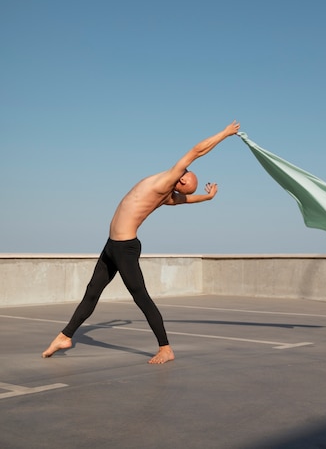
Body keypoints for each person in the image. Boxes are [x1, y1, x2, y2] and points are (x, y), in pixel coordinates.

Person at [42, 120, 240, 364]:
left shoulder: (168, 181)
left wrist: (225, 133)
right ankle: (65, 336)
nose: (184, 172)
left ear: (181, 182)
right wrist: (207, 198)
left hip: (125, 248)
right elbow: (185, 201)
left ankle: (165, 348)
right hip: (112, 246)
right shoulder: (166, 195)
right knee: (92, 291)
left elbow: (196, 151)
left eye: (186, 175)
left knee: (141, 297)